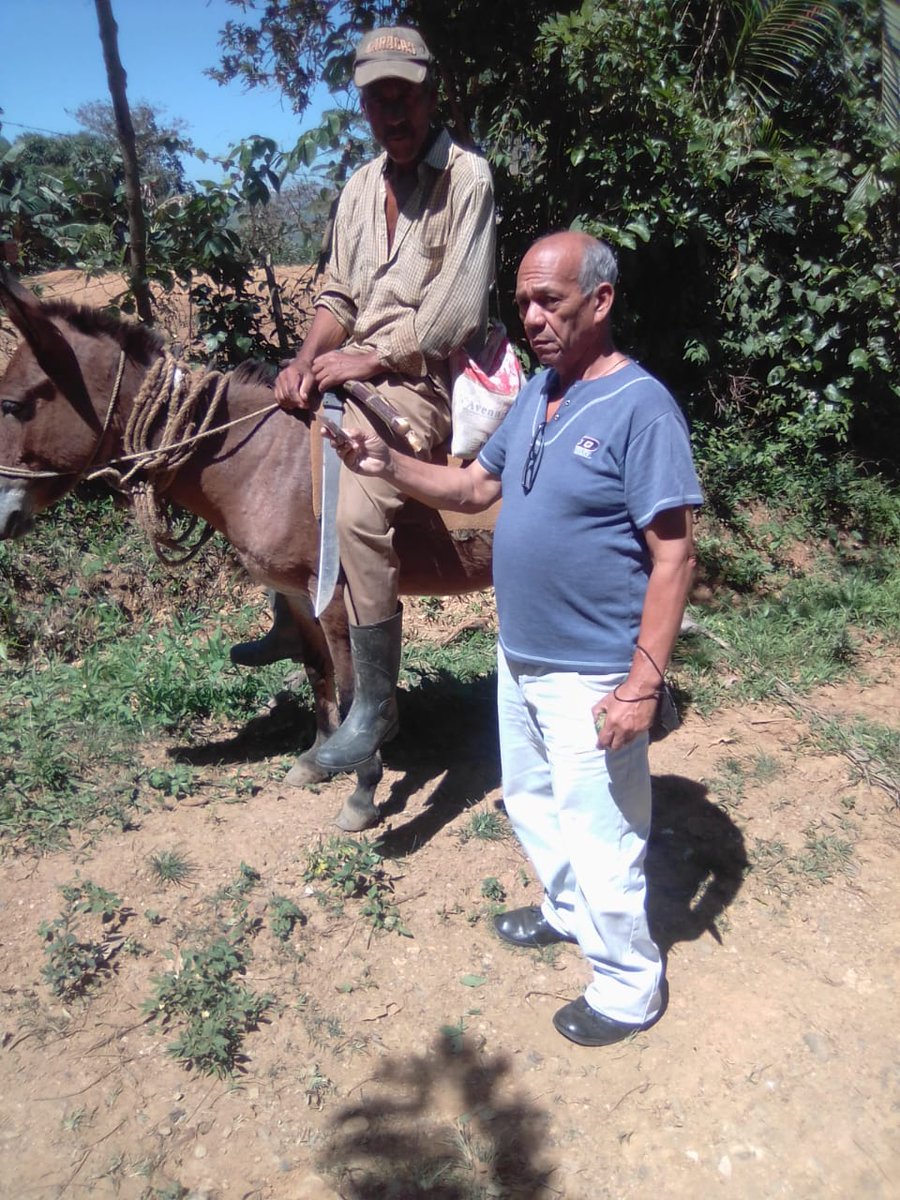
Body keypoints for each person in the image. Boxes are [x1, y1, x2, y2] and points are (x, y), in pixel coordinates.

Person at [328, 230, 703, 1047]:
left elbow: (673, 554)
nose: (531, 317)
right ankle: (567, 914)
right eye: (524, 301)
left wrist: (642, 683)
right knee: (533, 802)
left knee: (603, 829)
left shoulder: (642, 407)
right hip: (521, 655)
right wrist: (383, 461)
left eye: (550, 301)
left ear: (600, 302)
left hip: (594, 670)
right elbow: (471, 487)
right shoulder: (538, 391)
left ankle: (628, 987)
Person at [232, 25, 496, 774]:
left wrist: (365, 357)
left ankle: (375, 705)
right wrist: (305, 358)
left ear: (430, 93)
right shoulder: (357, 186)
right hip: (352, 366)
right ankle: (294, 620)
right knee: (268, 452)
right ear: (363, 109)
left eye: (403, 97)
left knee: (356, 502)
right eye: (377, 101)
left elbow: (455, 312)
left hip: (422, 379)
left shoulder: (466, 179)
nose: (392, 114)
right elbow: (339, 293)